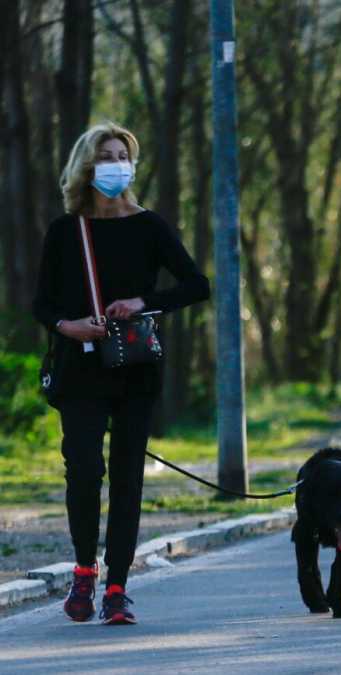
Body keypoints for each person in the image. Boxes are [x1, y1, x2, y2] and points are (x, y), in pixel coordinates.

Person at [32, 122, 210, 625]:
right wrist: (68, 327)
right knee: (84, 469)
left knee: (128, 476)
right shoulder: (65, 230)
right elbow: (42, 304)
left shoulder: (149, 226)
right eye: (106, 156)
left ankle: (116, 587)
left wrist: (143, 303)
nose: (116, 165)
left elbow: (197, 284)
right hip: (80, 368)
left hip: (135, 368)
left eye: (123, 156)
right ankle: (83, 570)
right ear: (87, 167)